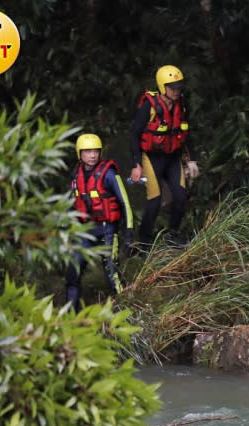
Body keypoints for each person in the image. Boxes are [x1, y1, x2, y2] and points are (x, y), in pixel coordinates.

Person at [129, 64, 200, 252]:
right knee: (154, 199)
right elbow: (134, 134)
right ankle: (143, 242)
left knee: (181, 196)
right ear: (162, 86)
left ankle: (172, 235)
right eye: (172, 87)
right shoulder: (149, 107)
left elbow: (186, 133)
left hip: (173, 158)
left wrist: (191, 160)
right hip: (151, 158)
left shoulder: (181, 105)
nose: (176, 91)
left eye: (179, 87)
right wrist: (136, 164)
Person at [66, 133, 134, 312]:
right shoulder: (76, 175)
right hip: (85, 230)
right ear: (80, 154)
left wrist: (129, 233)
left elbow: (125, 203)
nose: (92, 155)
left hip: (106, 230)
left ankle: (130, 310)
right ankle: (69, 317)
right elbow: (72, 205)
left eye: (95, 151)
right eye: (87, 151)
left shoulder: (109, 174)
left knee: (112, 273)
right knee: (73, 272)